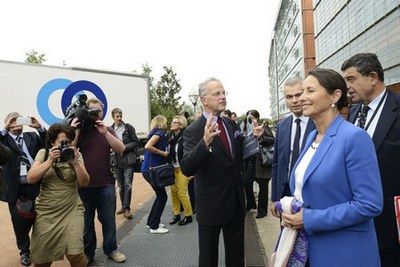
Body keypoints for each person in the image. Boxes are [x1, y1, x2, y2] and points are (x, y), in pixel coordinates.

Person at [277, 68, 383, 266]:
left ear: (335, 95)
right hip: (309, 248)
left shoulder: (354, 138)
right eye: (301, 92)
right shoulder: (311, 137)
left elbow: (369, 204)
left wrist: (308, 219)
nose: (301, 98)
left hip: (344, 252)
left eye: (309, 91)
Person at [180, 77, 264, 267]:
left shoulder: (230, 124)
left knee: (236, 255)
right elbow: (186, 167)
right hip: (211, 204)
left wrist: (254, 139)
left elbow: (238, 154)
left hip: (235, 201)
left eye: (223, 92)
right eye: (216, 93)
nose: (222, 96)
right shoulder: (193, 130)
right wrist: (205, 143)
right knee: (209, 257)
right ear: (203, 100)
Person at [342, 53, 400, 267]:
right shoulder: (353, 112)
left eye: (351, 79)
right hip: (356, 218)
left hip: (390, 221)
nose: (346, 86)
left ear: (373, 77)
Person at [27, 123, 90, 267]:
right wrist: (50, 161)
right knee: (42, 260)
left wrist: (75, 163)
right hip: (46, 211)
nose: (66, 145)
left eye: (68, 141)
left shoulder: (75, 155)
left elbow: (85, 182)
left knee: (76, 254)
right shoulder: (43, 154)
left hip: (72, 208)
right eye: (62, 142)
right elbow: (31, 178)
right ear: (52, 142)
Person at [72, 98, 126, 264]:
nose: (96, 114)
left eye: (99, 111)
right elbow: (70, 150)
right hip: (83, 186)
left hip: (105, 184)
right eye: (92, 111)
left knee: (108, 220)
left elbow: (121, 148)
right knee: (86, 224)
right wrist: (76, 130)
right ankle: (88, 253)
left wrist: (105, 133)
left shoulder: (108, 129)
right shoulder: (80, 130)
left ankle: (111, 249)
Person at [0, 112, 46, 266]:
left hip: (36, 184)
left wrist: (40, 128)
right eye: (11, 121)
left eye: (18, 120)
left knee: (40, 218)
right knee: (19, 221)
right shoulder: (4, 139)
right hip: (14, 187)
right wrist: (5, 128)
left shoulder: (32, 136)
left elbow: (49, 144)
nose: (16, 123)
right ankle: (24, 252)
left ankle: (40, 249)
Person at [270, 78, 315, 218]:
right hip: (286, 194)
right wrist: (275, 198)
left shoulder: (318, 122)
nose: (295, 100)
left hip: (311, 194)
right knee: (288, 236)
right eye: (289, 97)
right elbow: (277, 163)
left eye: (298, 94)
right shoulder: (282, 126)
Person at [242, 109, 274, 219]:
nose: (250, 120)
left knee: (263, 187)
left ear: (257, 118)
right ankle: (251, 203)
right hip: (251, 161)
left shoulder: (263, 127)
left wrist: (260, 137)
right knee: (246, 182)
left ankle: (262, 210)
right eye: (248, 118)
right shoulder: (245, 129)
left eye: (252, 118)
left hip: (262, 161)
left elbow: (272, 140)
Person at [140, 115, 170, 234]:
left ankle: (152, 221)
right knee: (162, 196)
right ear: (162, 123)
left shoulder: (153, 132)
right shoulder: (160, 133)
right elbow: (148, 146)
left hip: (148, 169)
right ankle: (154, 226)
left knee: (160, 195)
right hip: (153, 170)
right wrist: (163, 153)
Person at [110, 108, 140, 219]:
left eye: (120, 116)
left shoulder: (128, 128)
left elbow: (136, 142)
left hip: (128, 160)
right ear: (113, 117)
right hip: (116, 161)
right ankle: (123, 206)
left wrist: (124, 147)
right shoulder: (110, 129)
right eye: (117, 116)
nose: (119, 118)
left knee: (128, 184)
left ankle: (127, 208)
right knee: (121, 186)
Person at [167, 115, 193, 226]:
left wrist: (192, 171)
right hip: (173, 167)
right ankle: (176, 214)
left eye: (175, 122)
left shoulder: (186, 137)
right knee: (173, 191)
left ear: (181, 125)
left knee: (181, 191)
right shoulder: (170, 137)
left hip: (183, 168)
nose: (172, 124)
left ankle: (188, 215)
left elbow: (191, 153)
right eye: (172, 122)